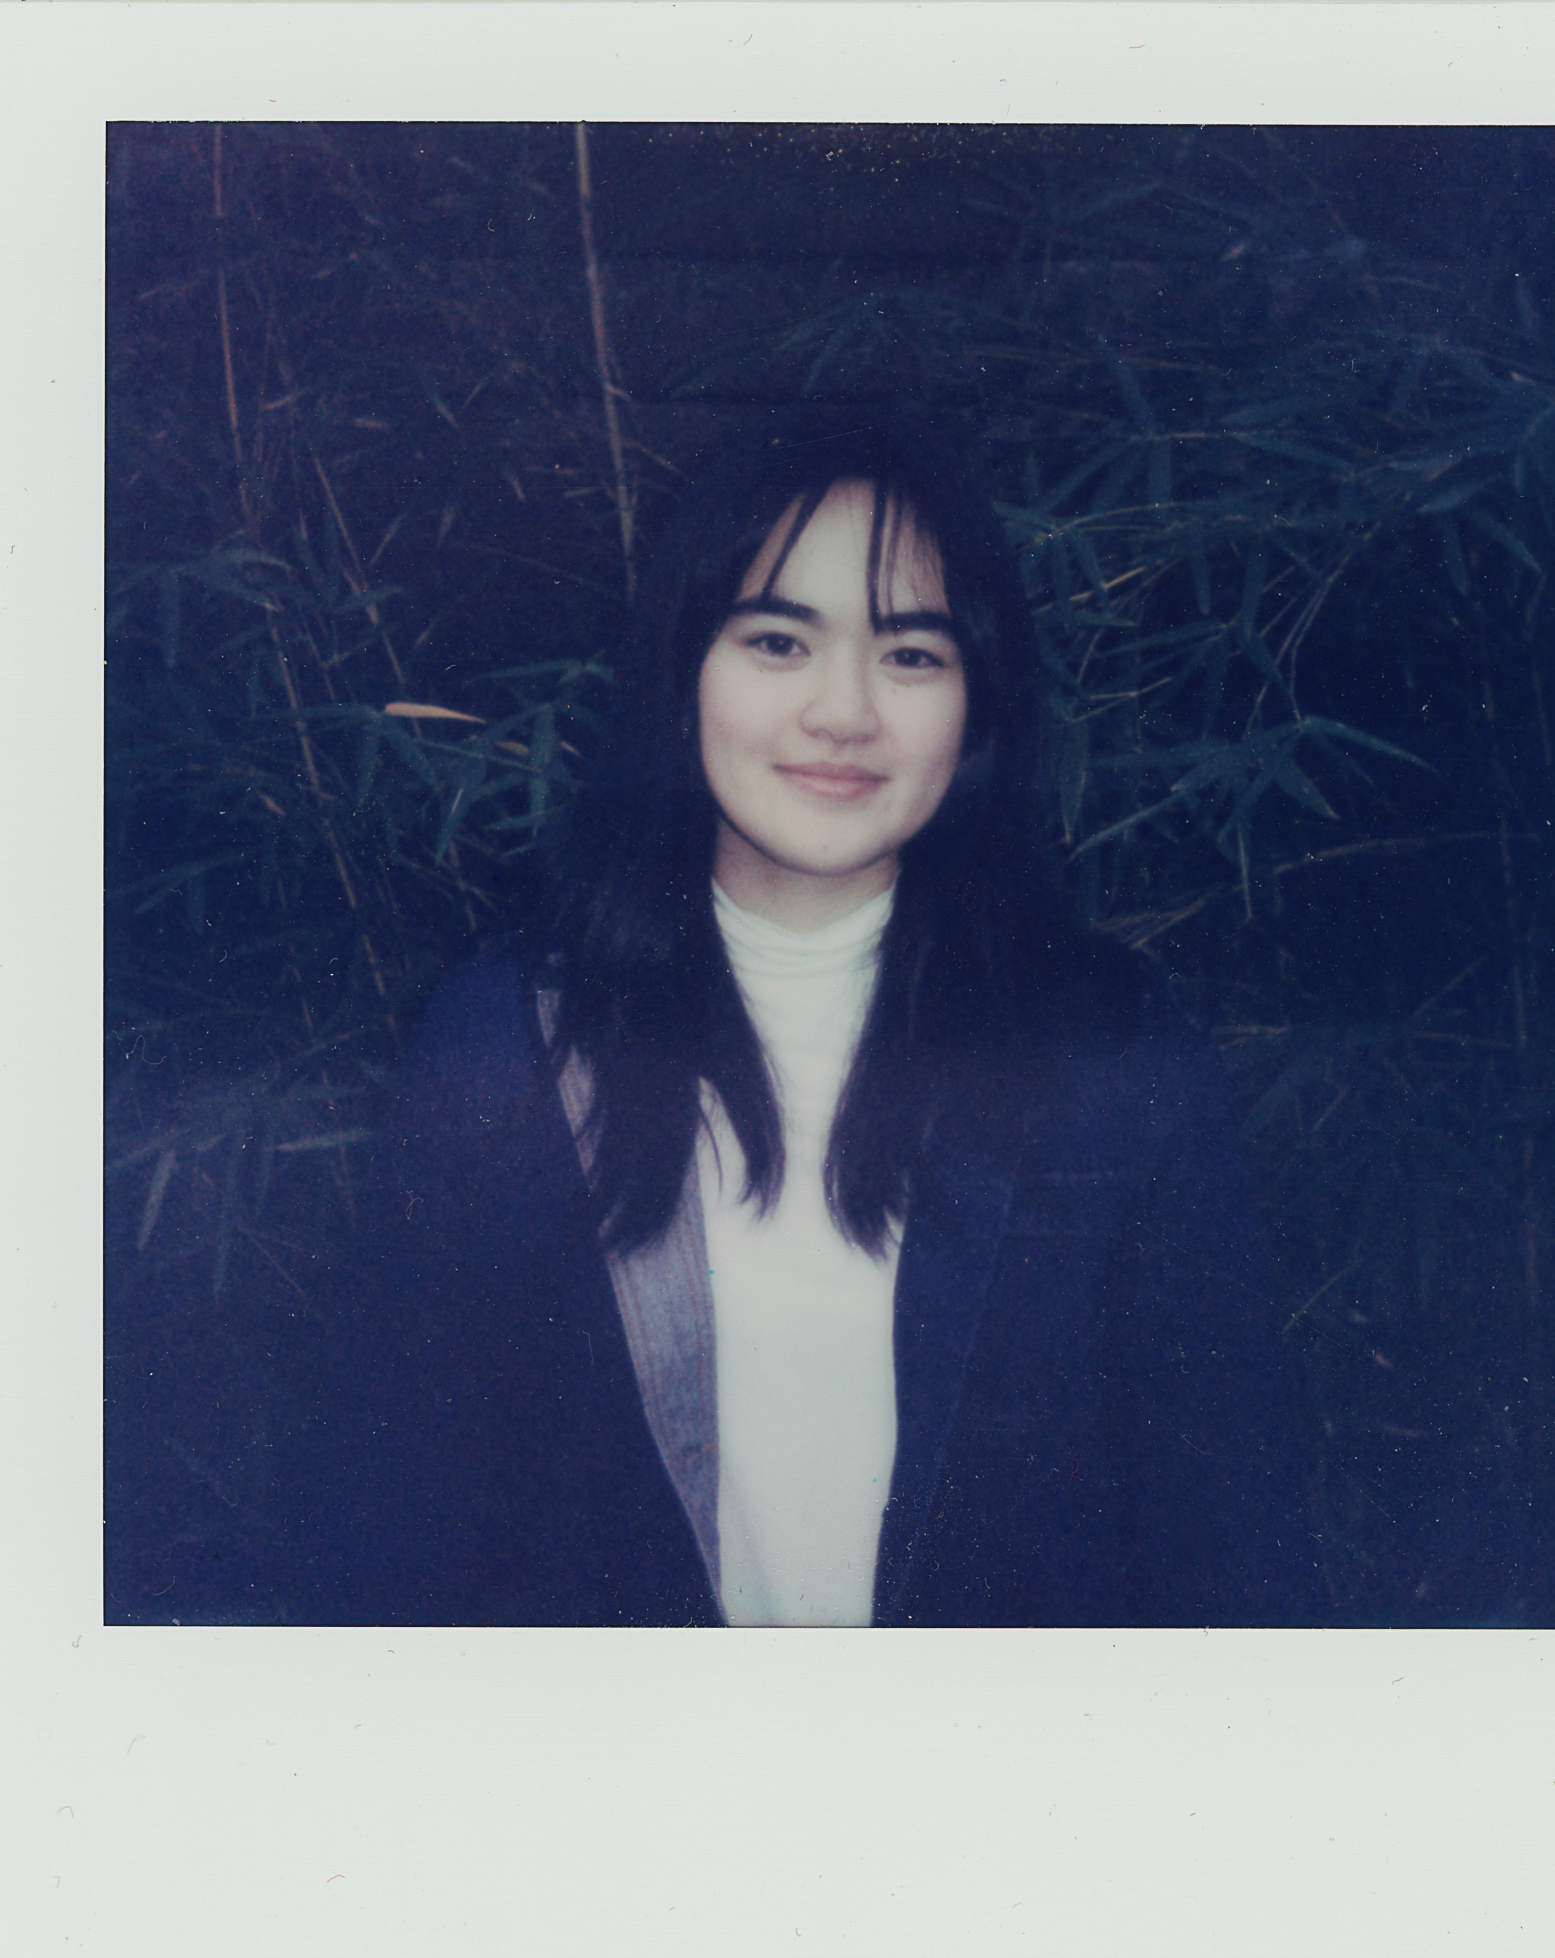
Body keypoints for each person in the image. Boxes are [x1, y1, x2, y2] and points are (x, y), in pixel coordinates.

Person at [106, 412, 1324, 1628]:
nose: (843, 711)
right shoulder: (506, 1042)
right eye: (778, 640)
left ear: (979, 701)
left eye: (911, 653)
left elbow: (1232, 1548)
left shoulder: (1114, 1054)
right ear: (682, 667)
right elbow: (391, 1546)